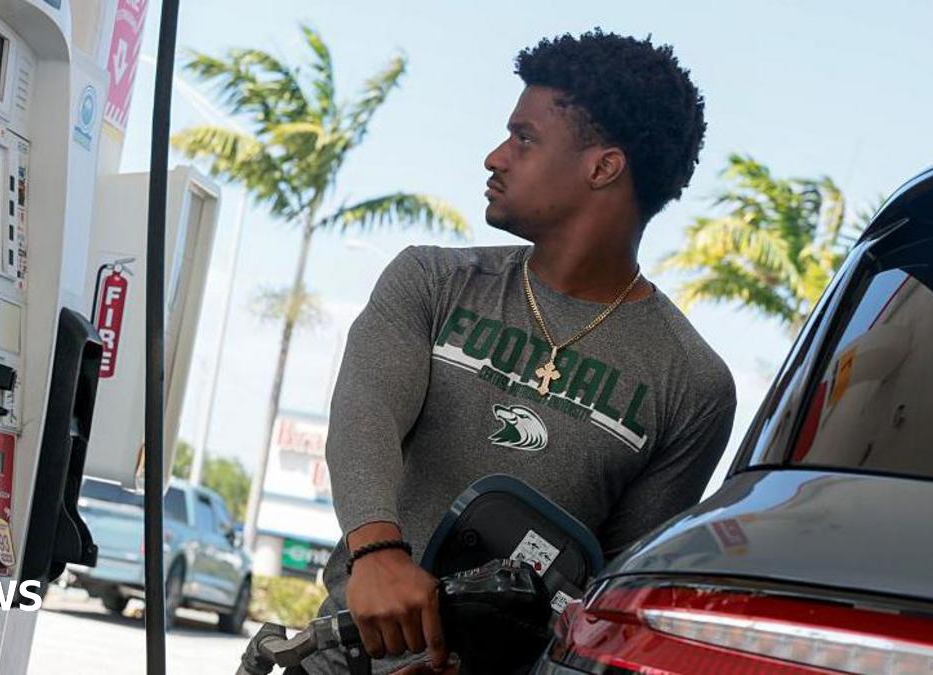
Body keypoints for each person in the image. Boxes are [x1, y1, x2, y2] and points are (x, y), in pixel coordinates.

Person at [303, 29, 736, 674]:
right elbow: (365, 418)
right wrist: (377, 553)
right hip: (341, 662)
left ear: (602, 167)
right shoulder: (432, 281)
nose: (495, 156)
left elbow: (610, 603)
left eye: (524, 138)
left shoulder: (692, 384)